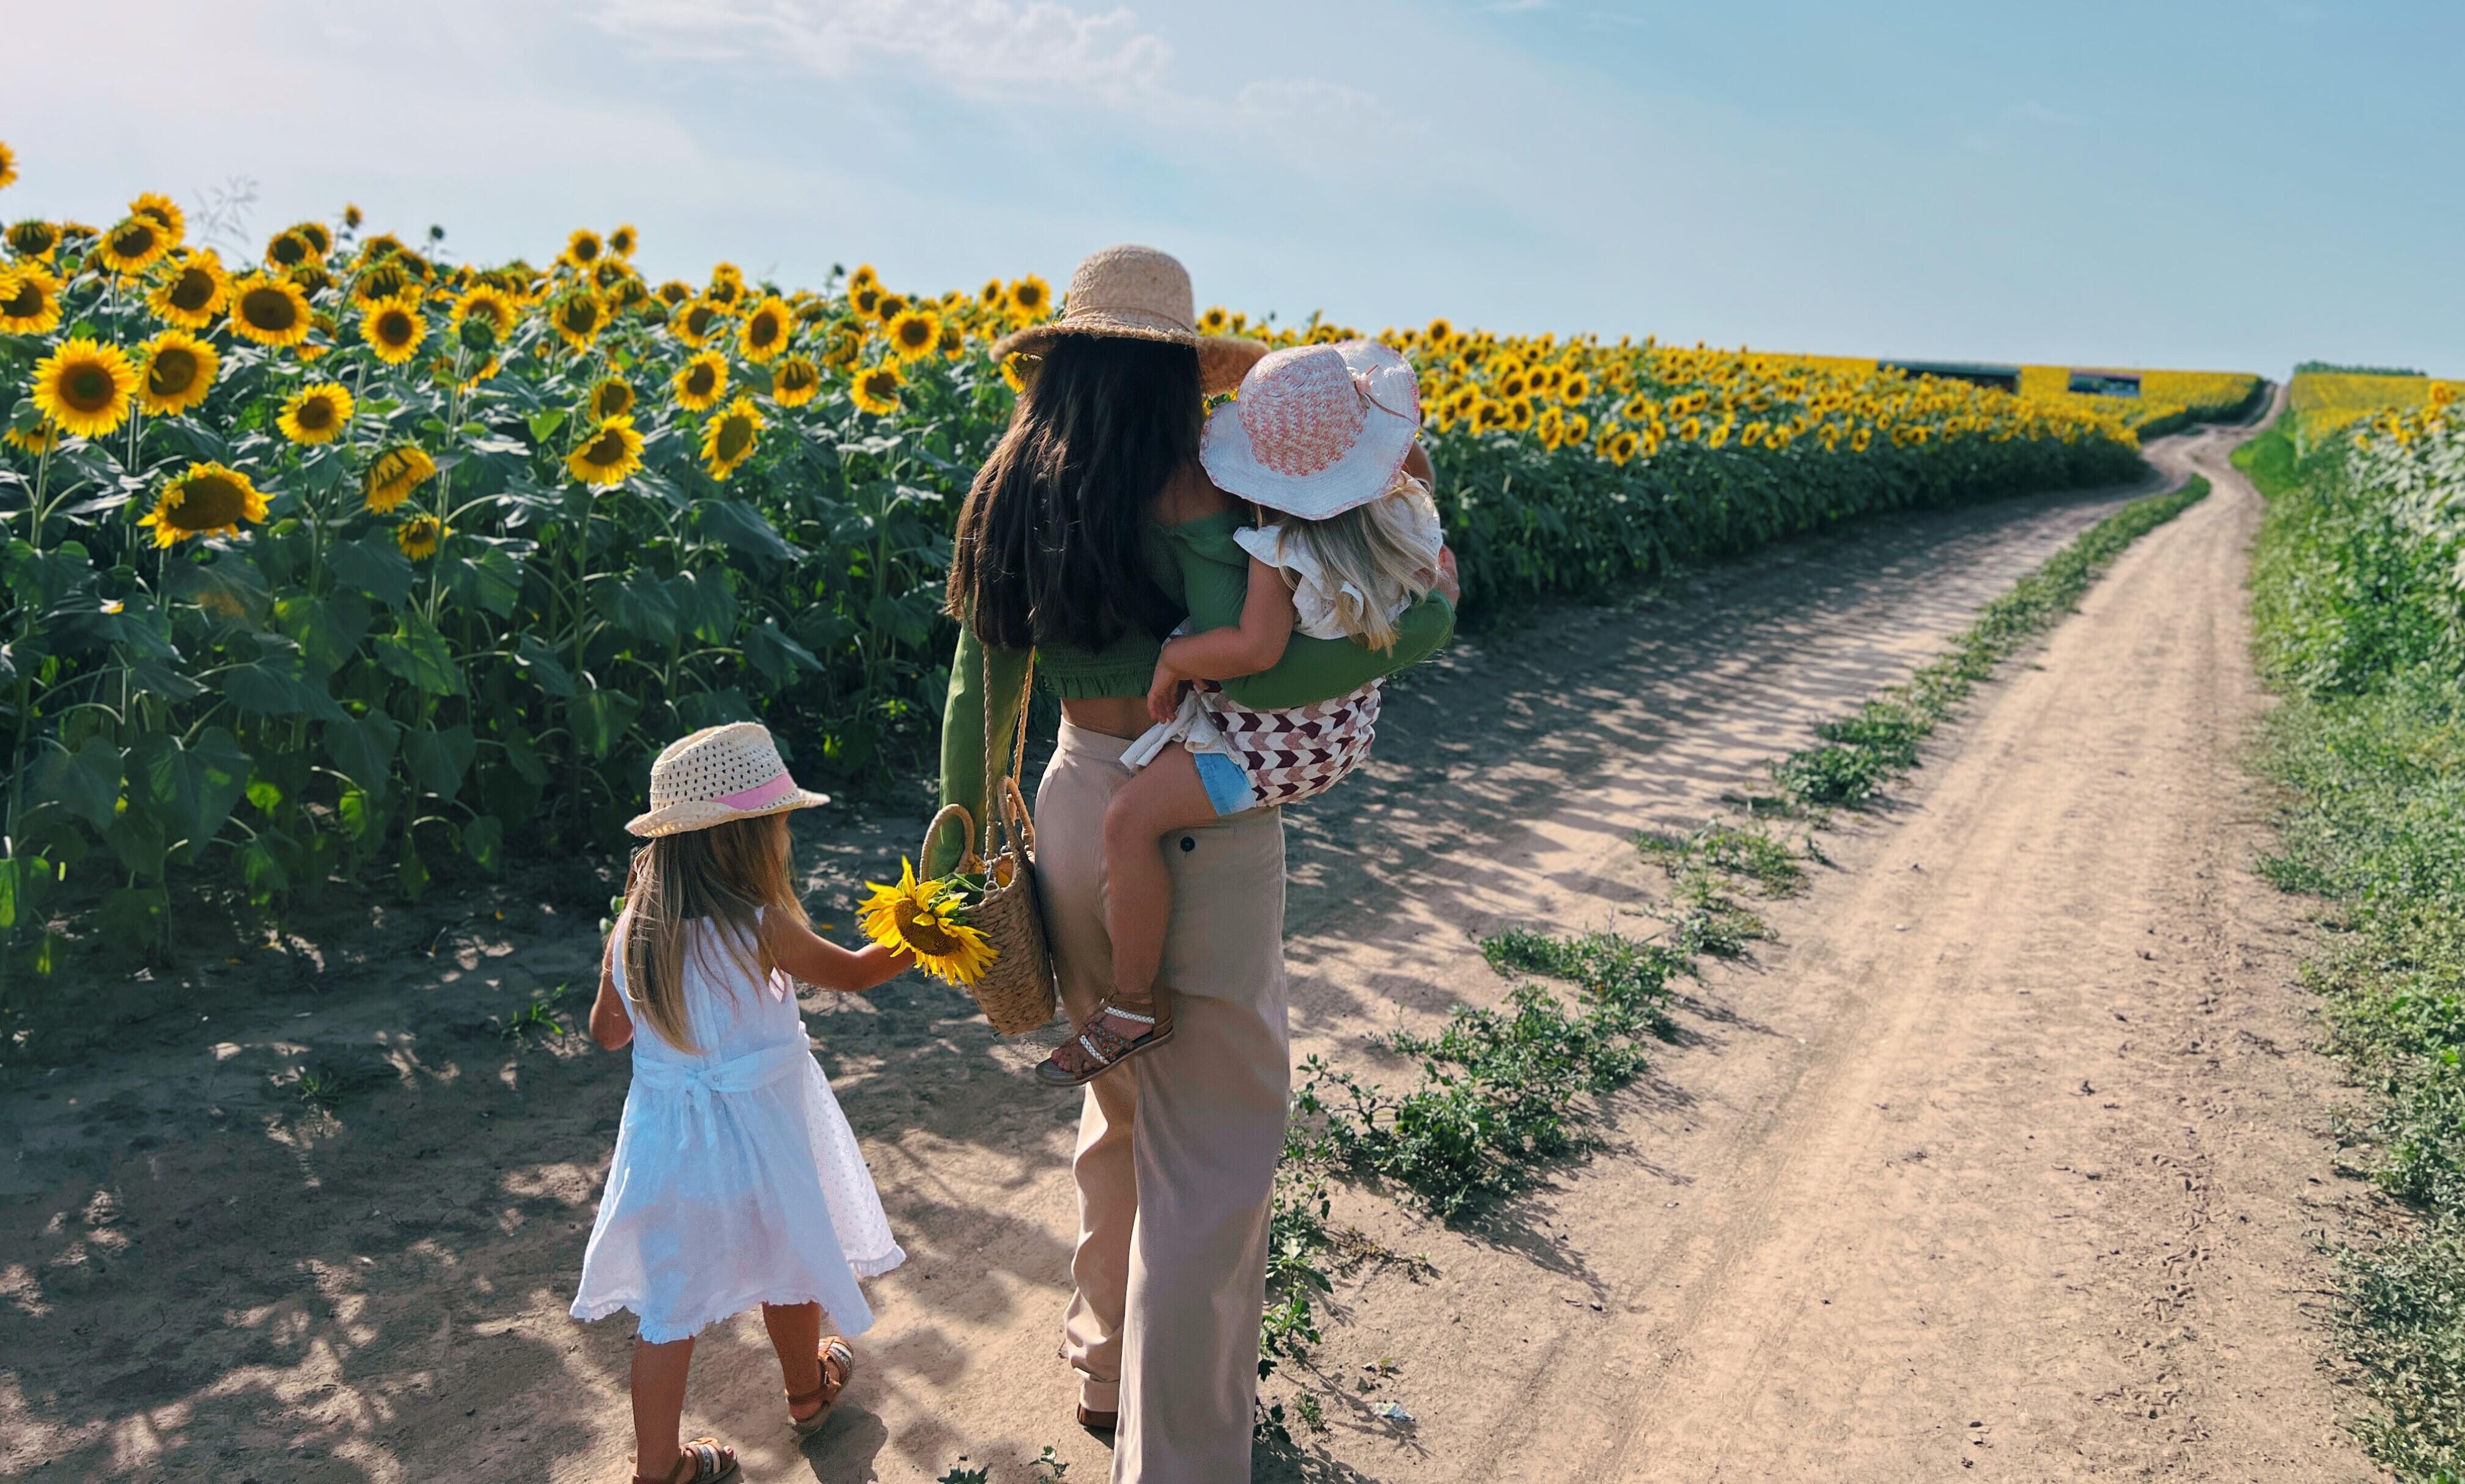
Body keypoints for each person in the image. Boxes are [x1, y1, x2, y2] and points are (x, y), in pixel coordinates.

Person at [934, 244, 1461, 1482]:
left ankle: (1104, 1364)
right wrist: (1426, 584)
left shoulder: (1012, 486)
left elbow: (977, 686)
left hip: (1065, 804)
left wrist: (962, 842)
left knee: (1124, 1100)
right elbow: (1308, 653)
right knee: (1214, 1151)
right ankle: (1183, 1459)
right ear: (1175, 372)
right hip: (1197, 813)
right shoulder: (1203, 489)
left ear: (1058, 367)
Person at [1041, 338, 1442, 1087]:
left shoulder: (1275, 541)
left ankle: (1132, 1001)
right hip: (1344, 730)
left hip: (1263, 754)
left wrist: (1176, 659)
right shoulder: (1401, 517)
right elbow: (1435, 569)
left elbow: (1256, 651)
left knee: (1129, 821)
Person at [571, 722, 912, 1484]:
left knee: (668, 1316)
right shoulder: (758, 927)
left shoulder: (632, 931)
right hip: (763, 1140)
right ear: (744, 841)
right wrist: (930, 926)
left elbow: (606, 1033)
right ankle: (806, 1393)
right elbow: (856, 974)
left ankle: (658, 1468)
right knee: (787, 1265)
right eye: (779, 825)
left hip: (670, 1153)